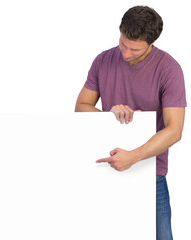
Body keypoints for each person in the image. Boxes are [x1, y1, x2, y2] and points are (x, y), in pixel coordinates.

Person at [75, 6, 186, 240]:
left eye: (134, 49)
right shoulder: (103, 60)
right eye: (123, 44)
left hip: (150, 174)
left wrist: (133, 156)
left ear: (151, 42)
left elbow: (175, 130)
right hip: (103, 168)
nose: (125, 54)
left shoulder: (169, 69)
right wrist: (107, 114)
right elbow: (80, 108)